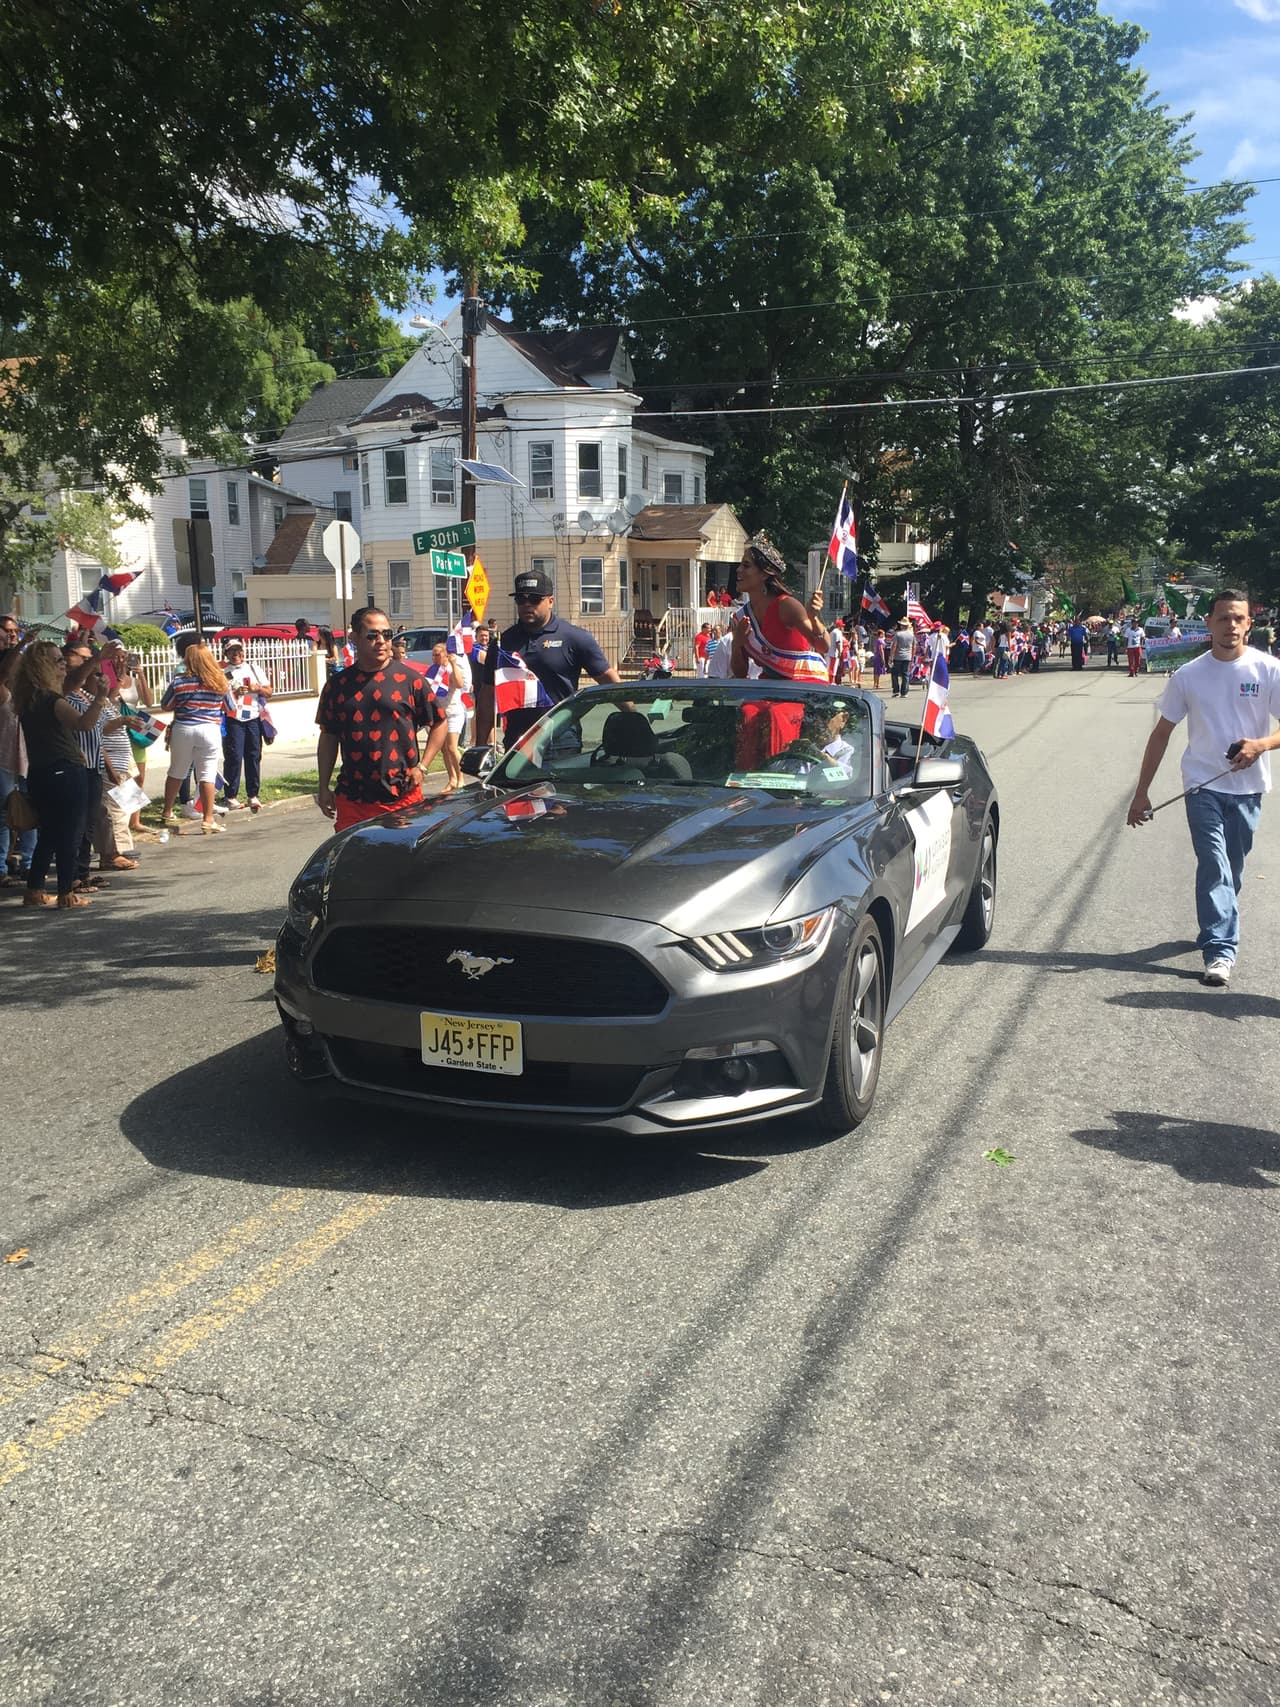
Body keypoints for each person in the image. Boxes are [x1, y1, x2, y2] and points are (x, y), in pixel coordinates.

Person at [1126, 589, 1280, 986]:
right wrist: (1141, 792)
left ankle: (1217, 918)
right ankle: (1220, 950)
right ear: (1208, 623)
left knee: (1233, 868)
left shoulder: (1267, 670)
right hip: (1202, 786)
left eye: (1238, 619)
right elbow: (1161, 734)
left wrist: (1260, 745)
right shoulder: (1188, 675)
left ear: (1249, 624)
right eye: (1223, 618)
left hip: (1247, 789)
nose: (1230, 626)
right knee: (1214, 864)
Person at [316, 605, 445, 831]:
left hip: (402, 796)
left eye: (387, 634)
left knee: (402, 863)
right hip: (353, 798)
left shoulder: (410, 680)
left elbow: (439, 722)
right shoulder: (337, 686)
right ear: (354, 637)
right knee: (352, 861)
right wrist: (323, 785)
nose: (381, 641)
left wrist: (422, 767)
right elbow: (328, 735)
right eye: (372, 635)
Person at [11, 641, 112, 908]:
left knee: (50, 833)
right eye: (57, 661)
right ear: (43, 666)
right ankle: (67, 892)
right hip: (66, 771)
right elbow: (84, 724)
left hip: (40, 772)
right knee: (70, 833)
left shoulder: (27, 699)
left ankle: (34, 889)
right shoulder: (51, 700)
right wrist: (101, 698)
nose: (63, 664)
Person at [499, 570, 621, 745]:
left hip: (561, 740)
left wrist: (632, 714)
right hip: (518, 741)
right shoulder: (506, 641)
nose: (527, 605)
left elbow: (608, 678)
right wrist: (480, 742)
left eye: (534, 600)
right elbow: (487, 693)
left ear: (550, 601)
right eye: (520, 600)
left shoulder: (573, 637)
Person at [729, 534, 829, 682]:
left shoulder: (787, 606)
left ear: (764, 574)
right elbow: (741, 674)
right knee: (746, 706)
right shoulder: (742, 617)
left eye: (746, 565)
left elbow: (823, 647)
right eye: (740, 564)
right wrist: (736, 644)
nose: (738, 570)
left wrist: (813, 619)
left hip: (803, 685)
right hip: (769, 686)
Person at [159, 643, 230, 834]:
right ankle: (208, 819)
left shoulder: (178, 682)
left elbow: (165, 705)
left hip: (183, 728)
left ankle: (167, 811)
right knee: (207, 773)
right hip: (210, 729)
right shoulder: (220, 682)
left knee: (177, 770)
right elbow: (230, 708)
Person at [220, 638, 271, 812]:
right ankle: (231, 796)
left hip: (253, 717)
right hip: (233, 718)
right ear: (226, 654)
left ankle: (253, 795)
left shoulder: (253, 668)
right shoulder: (222, 671)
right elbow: (218, 697)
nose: (236, 655)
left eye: (238, 651)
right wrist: (235, 692)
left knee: (254, 756)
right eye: (232, 651)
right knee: (234, 757)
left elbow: (269, 691)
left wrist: (256, 689)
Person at [427, 640, 471, 791]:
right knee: (444, 749)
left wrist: (452, 665)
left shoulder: (452, 669)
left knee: (452, 747)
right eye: (433, 655)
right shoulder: (433, 670)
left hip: (453, 712)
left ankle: (461, 778)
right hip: (440, 714)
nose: (434, 657)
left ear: (445, 655)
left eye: (437, 655)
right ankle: (451, 778)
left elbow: (459, 684)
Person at [889, 618, 913, 697]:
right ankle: (904, 692)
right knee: (905, 674)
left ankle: (896, 690)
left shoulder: (898, 634)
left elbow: (894, 646)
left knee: (895, 674)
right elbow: (914, 646)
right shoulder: (911, 635)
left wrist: (891, 657)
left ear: (902, 626)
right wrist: (912, 656)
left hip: (898, 657)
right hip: (907, 657)